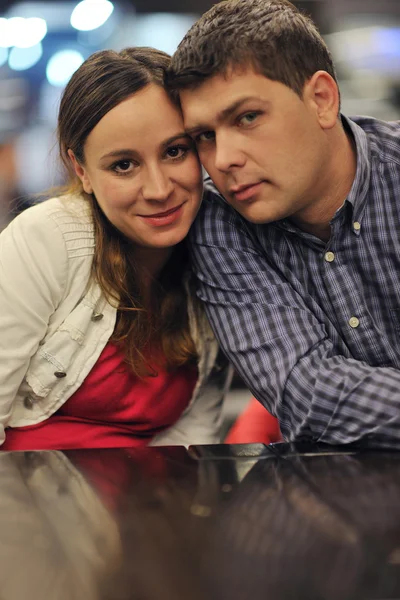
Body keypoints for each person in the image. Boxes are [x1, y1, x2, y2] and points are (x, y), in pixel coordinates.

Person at [167, 0, 400, 448]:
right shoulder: (220, 224)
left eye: (247, 117)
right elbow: (305, 393)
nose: (224, 159)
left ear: (322, 100)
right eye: (204, 137)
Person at [0, 47, 231, 451]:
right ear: (82, 170)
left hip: (151, 505)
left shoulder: (223, 253)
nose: (159, 190)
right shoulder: (47, 239)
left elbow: (193, 441)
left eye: (175, 151)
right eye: (124, 165)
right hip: (25, 501)